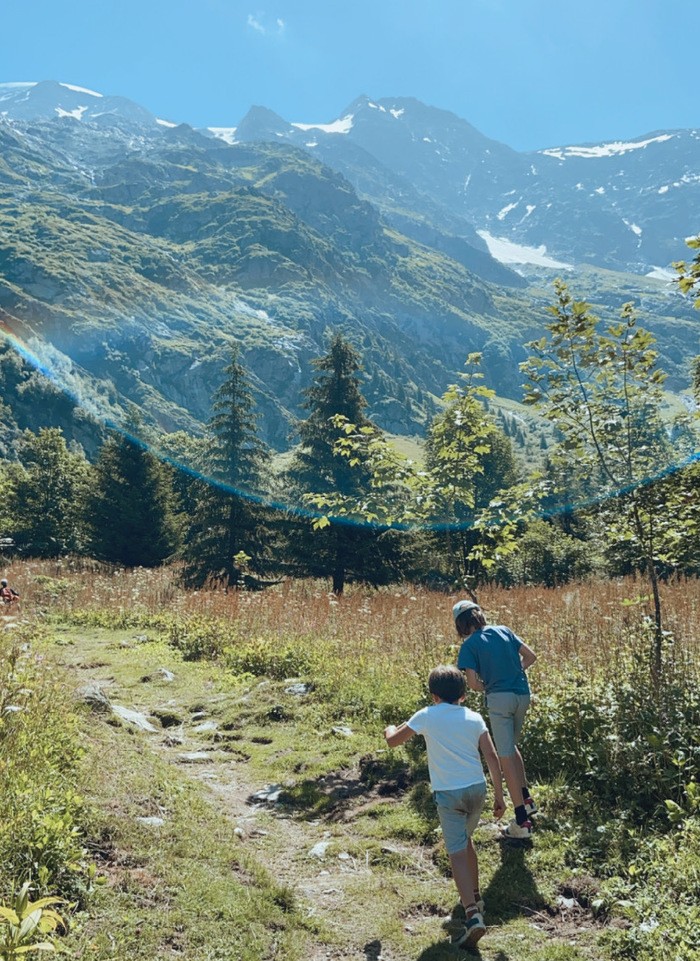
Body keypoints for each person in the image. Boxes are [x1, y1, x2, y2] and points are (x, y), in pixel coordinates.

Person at [384, 664, 506, 948]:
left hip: (448, 794)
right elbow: (491, 754)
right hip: (477, 790)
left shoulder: (427, 715)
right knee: (466, 841)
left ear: (433, 695)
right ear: (463, 694)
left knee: (456, 854)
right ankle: (476, 897)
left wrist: (389, 728)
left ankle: (473, 916)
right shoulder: (474, 718)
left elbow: (393, 741)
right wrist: (500, 796)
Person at [453, 599, 537, 839]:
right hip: (522, 694)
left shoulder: (469, 646)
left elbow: (471, 684)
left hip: (499, 700)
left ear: (460, 625)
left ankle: (521, 821)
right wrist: (515, 672)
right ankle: (527, 800)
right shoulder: (504, 630)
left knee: (505, 755)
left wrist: (487, 685)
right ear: (480, 615)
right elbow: (531, 657)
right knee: (510, 748)